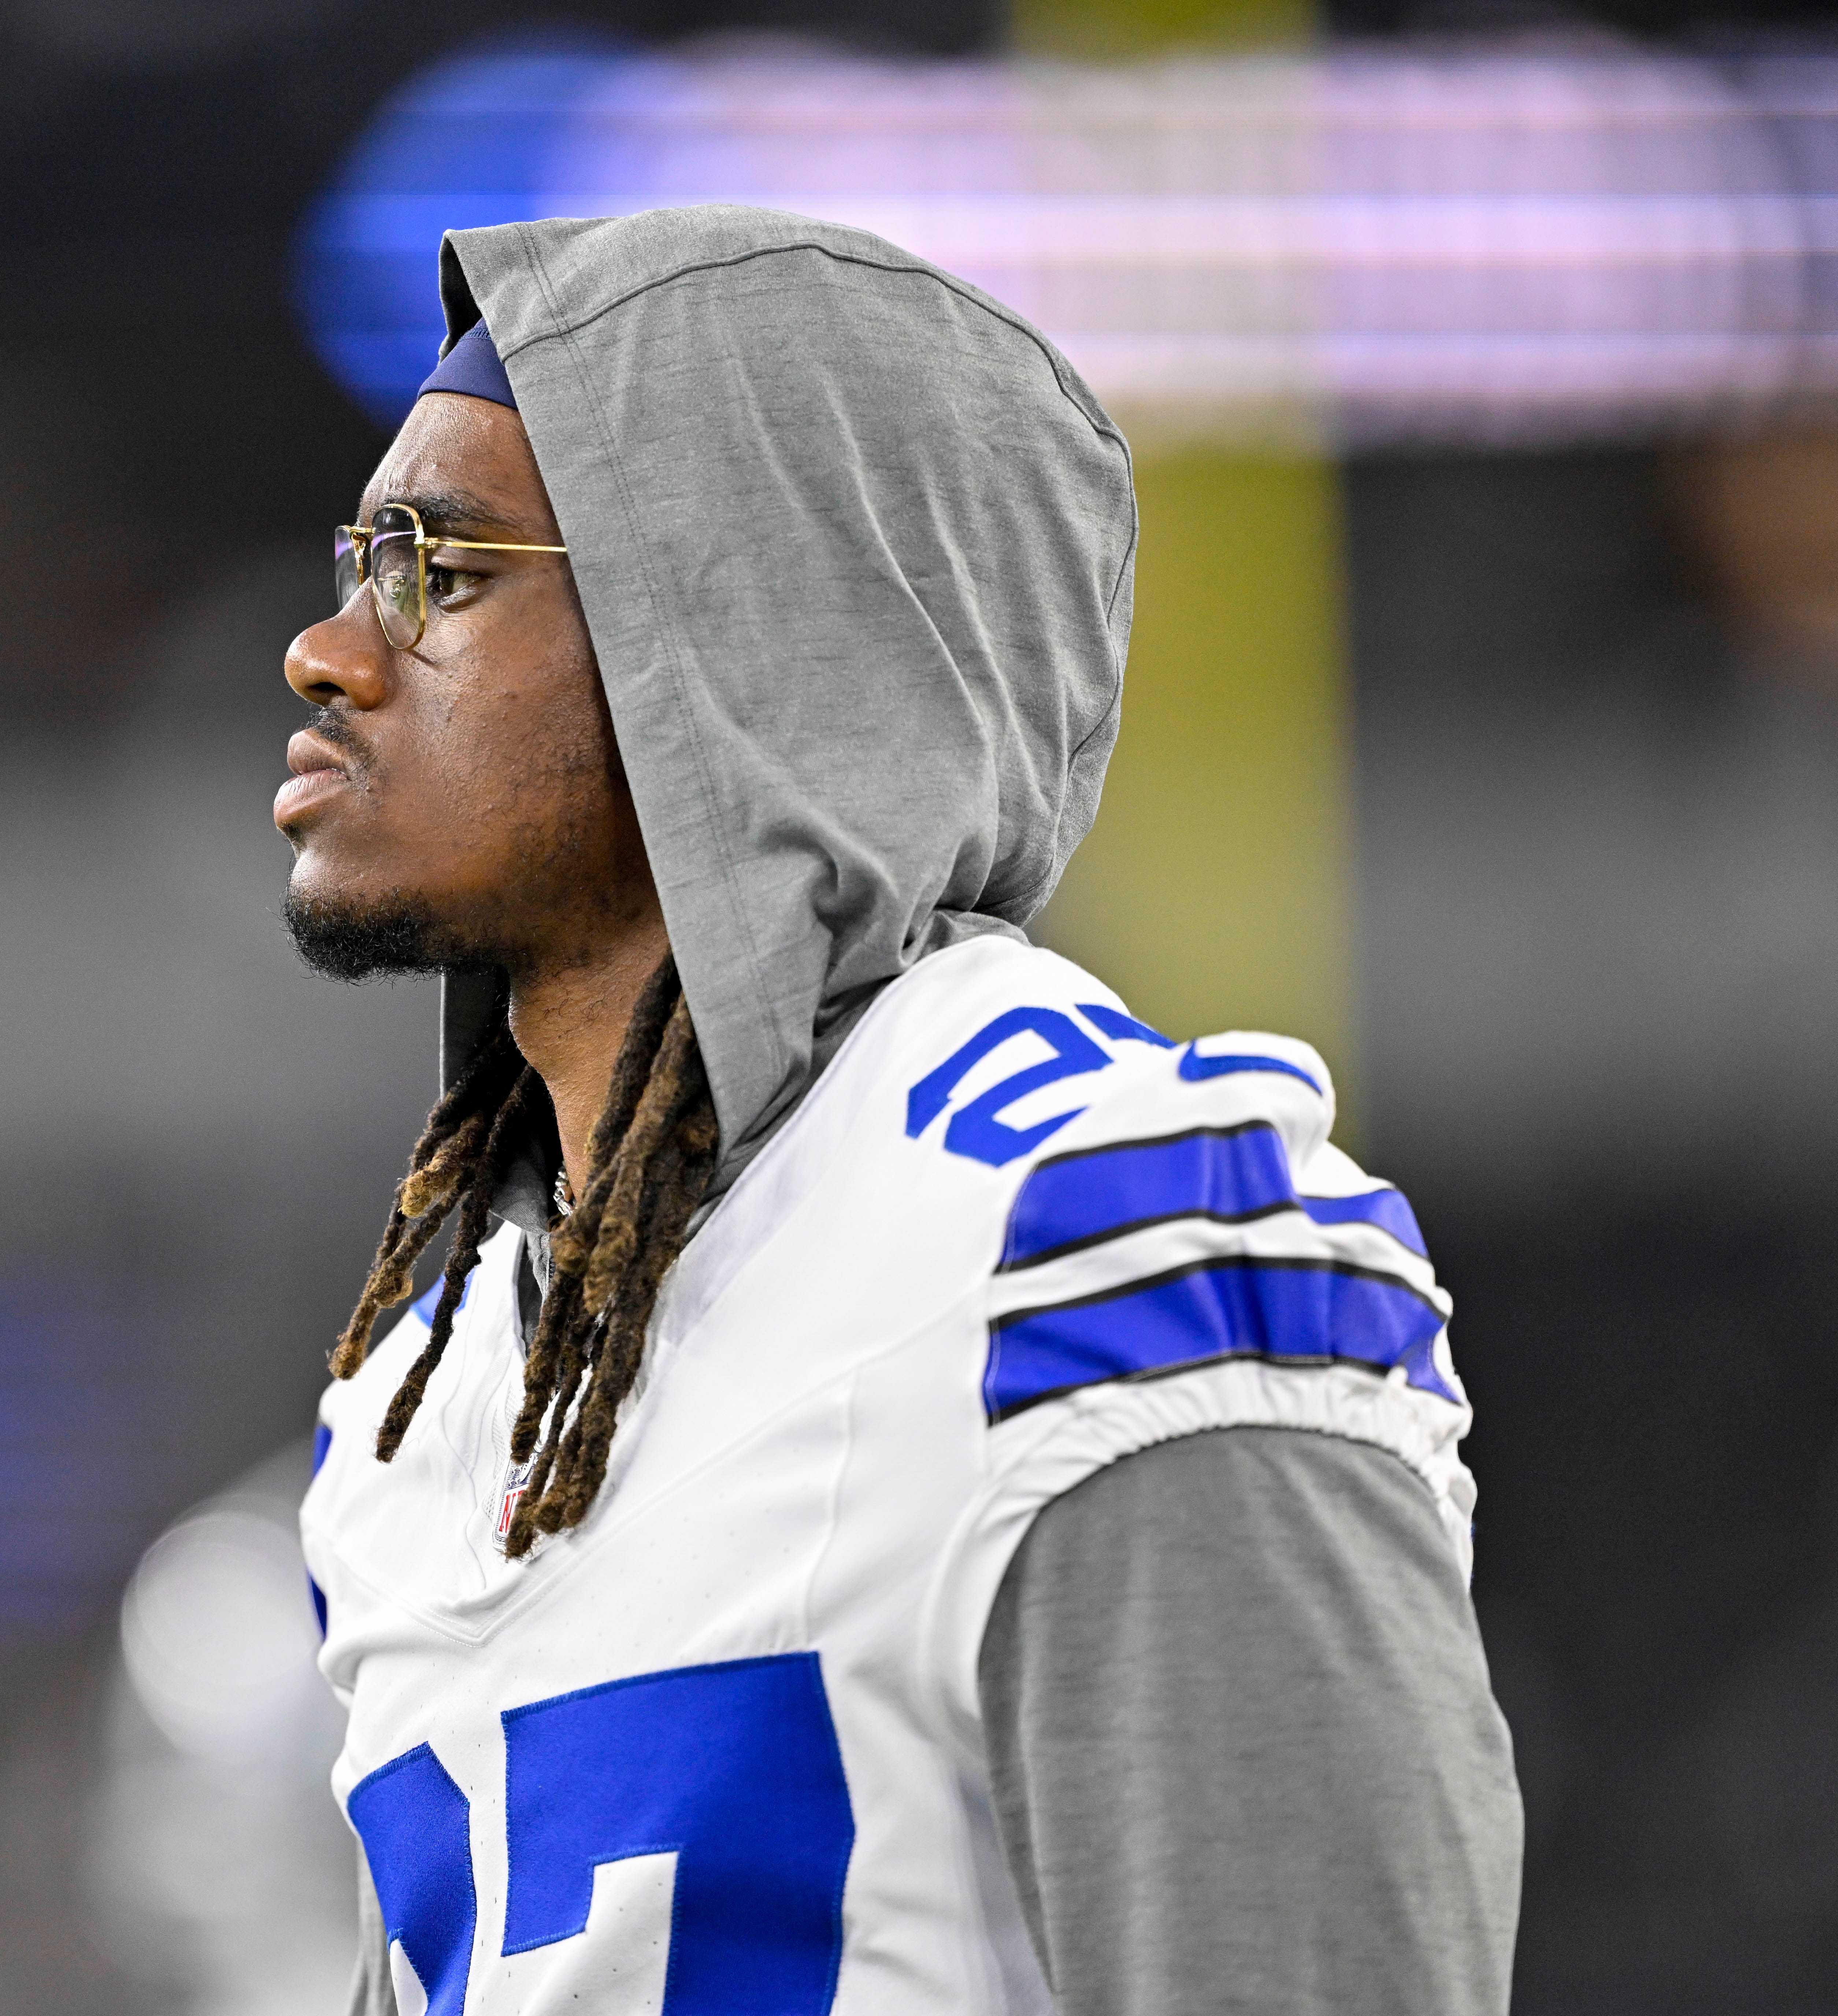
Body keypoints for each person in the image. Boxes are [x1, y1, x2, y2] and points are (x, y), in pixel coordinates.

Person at [277, 204, 1520, 2016]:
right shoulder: (426, 1394)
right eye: (359, 556)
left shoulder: (1101, 1228)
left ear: (743, 634)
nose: (329, 648)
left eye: (441, 571)